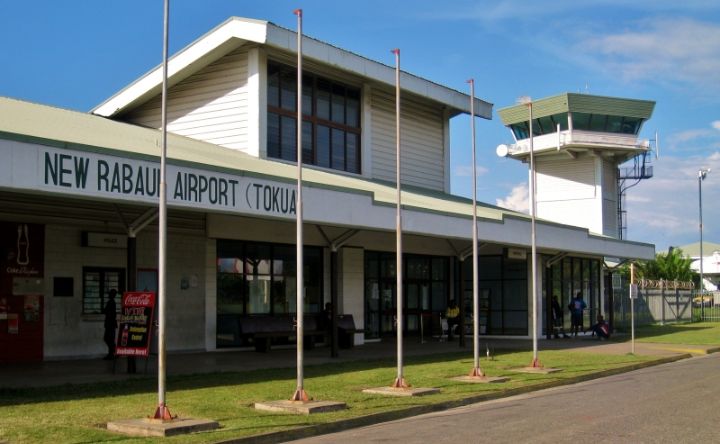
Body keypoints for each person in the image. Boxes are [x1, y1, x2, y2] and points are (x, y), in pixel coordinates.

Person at [102, 289, 118, 360]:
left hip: (110, 324)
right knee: (109, 339)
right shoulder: (111, 302)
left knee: (108, 339)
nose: (109, 295)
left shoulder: (111, 302)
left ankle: (114, 352)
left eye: (110, 294)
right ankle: (112, 353)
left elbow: (107, 312)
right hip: (110, 324)